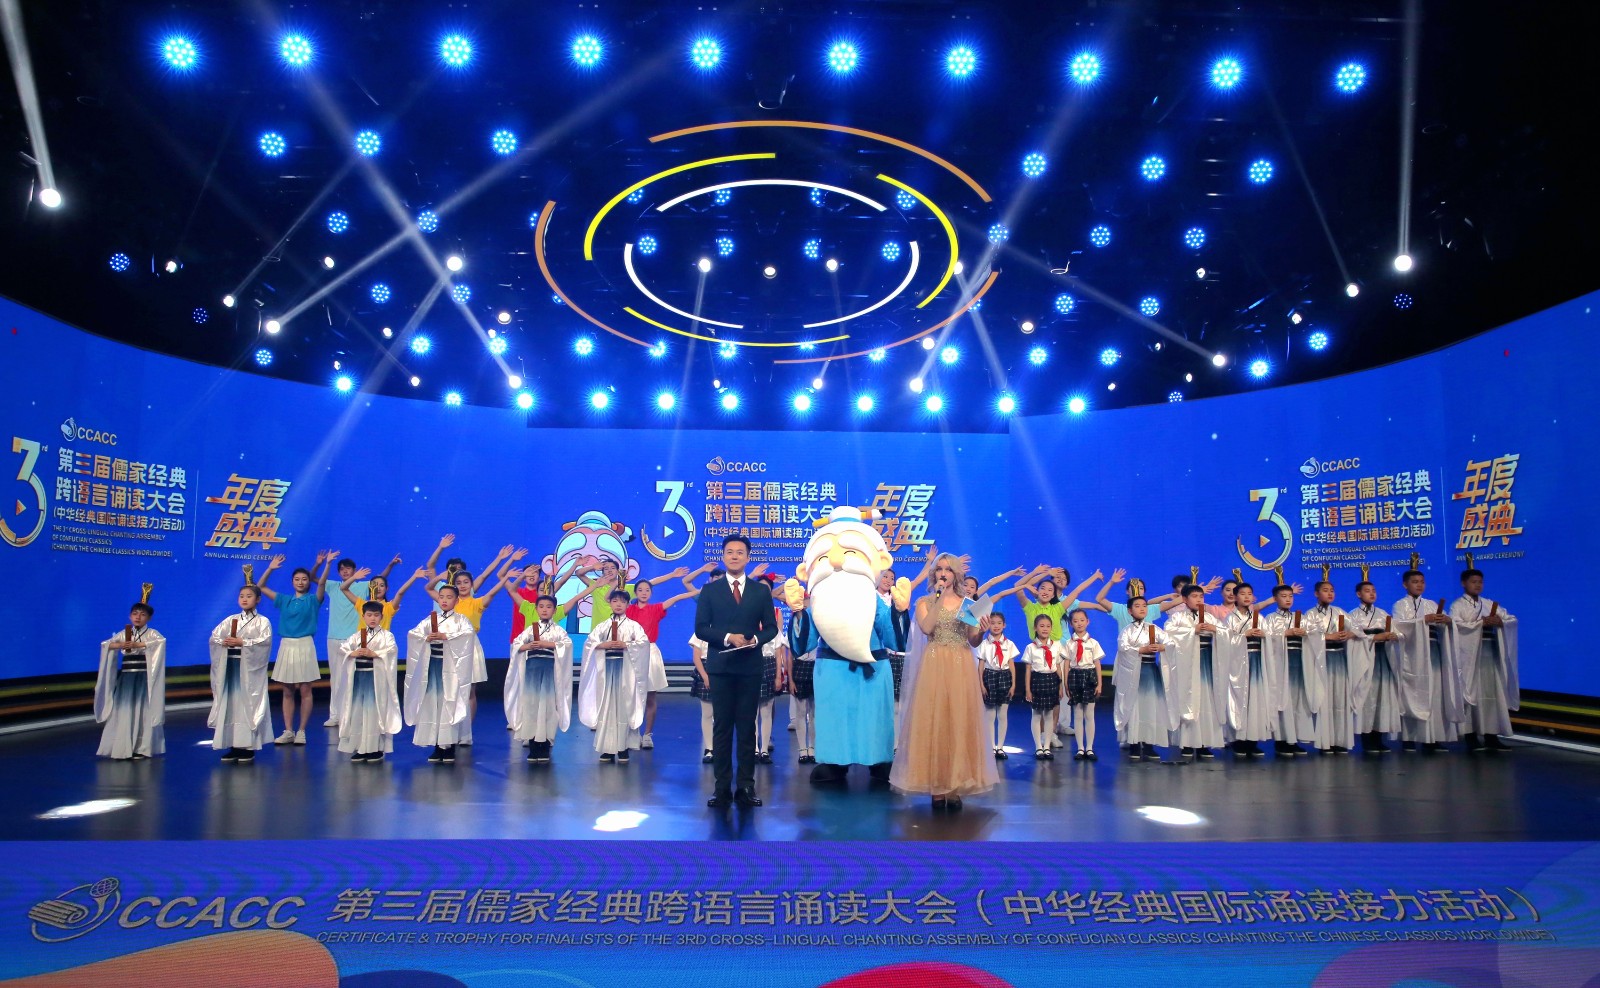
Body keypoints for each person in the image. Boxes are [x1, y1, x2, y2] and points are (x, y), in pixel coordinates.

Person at [892, 552, 996, 810]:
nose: (943, 573)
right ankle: (937, 788)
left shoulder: (969, 604)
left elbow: (973, 640)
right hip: (934, 665)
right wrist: (938, 599)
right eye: (939, 569)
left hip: (961, 667)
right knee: (934, 723)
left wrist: (981, 632)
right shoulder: (924, 602)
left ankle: (954, 786)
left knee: (958, 723)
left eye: (948, 569)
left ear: (956, 574)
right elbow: (927, 628)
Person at [696, 536, 779, 808]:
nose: (734, 556)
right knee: (721, 728)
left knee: (746, 728)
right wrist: (728, 637)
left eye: (739, 552)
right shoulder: (710, 591)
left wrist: (755, 639)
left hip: (749, 667)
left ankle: (745, 787)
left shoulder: (760, 592)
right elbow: (701, 628)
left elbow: (771, 628)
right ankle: (721, 789)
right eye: (729, 552)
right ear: (723, 556)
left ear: (747, 557)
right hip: (720, 668)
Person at [627, 564, 709, 748]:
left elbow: (676, 597)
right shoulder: (628, 610)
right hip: (631, 653)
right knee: (631, 697)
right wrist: (671, 575)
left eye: (647, 590)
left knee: (650, 697)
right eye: (640, 590)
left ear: (651, 593)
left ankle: (647, 735)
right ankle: (632, 732)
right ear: (635, 593)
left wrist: (698, 592)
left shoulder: (656, 609)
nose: (644, 593)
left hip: (650, 653)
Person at [255, 552, 332, 745]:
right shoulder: (284, 600)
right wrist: (270, 568)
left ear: (308, 582)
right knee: (287, 691)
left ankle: (302, 731)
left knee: (305, 690)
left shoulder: (314, 600)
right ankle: (288, 730)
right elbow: (260, 586)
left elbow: (322, 583)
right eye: (297, 579)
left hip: (305, 645)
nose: (300, 582)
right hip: (286, 645)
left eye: (304, 579)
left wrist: (327, 564)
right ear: (292, 582)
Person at [1391, 560, 1461, 753]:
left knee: (1435, 694)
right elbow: (1399, 626)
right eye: (1415, 582)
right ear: (1405, 585)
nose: (1419, 585)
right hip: (1412, 656)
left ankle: (1432, 738)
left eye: (1422, 581)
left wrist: (1446, 621)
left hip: (1433, 653)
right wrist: (1423, 620)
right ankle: (1409, 738)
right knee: (1412, 695)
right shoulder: (1400, 605)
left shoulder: (1431, 604)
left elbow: (1447, 623)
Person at [1451, 559, 1520, 752]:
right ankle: (1471, 736)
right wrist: (1480, 623)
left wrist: (1499, 621)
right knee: (1471, 694)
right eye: (1473, 582)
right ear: (1463, 583)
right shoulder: (1458, 606)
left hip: (1490, 655)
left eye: (1480, 582)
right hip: (1471, 659)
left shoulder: (1489, 604)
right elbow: (1456, 626)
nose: (1477, 585)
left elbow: (1511, 619)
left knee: (1492, 695)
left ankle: (1491, 736)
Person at [404, 584, 476, 764]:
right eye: (441, 597)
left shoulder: (461, 620)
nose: (444, 600)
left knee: (448, 705)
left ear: (456, 600)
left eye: (449, 597)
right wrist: (425, 638)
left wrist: (446, 637)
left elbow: (468, 635)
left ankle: (449, 747)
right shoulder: (430, 620)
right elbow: (413, 634)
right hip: (433, 667)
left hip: (451, 670)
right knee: (433, 704)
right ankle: (437, 746)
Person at [325, 555, 398, 728]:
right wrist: (349, 575)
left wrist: (390, 565)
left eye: (348, 569)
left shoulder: (370, 595)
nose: (345, 571)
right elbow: (343, 587)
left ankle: (374, 718)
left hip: (366, 643)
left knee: (367, 683)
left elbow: (380, 581)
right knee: (340, 679)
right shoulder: (344, 590)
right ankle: (337, 715)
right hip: (346, 641)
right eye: (342, 569)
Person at [94, 585, 166, 760]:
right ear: (130, 616)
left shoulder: (153, 634)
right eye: (135, 614)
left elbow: (160, 643)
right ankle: (122, 747)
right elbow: (106, 644)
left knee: (143, 710)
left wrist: (138, 645)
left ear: (149, 618)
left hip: (143, 678)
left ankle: (141, 747)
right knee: (124, 710)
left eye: (142, 614)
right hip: (127, 678)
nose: (138, 617)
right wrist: (121, 645)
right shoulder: (124, 633)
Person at [579, 589, 652, 763]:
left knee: (623, 708)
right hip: (607, 670)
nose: (618, 604)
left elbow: (643, 643)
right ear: (610, 603)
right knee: (606, 707)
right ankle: (607, 749)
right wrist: (603, 645)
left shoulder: (633, 626)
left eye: (622, 601)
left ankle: (623, 747)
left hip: (625, 670)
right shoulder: (602, 626)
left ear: (627, 604)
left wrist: (626, 645)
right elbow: (590, 643)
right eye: (615, 601)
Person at [207, 583, 274, 763]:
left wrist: (242, 642)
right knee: (231, 705)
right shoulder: (230, 620)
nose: (244, 599)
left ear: (258, 599)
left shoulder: (263, 622)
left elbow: (264, 642)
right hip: (231, 668)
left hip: (248, 671)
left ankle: (247, 746)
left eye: (249, 596)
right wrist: (224, 641)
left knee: (246, 705)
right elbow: (214, 637)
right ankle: (233, 744)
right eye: (242, 596)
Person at [505, 594, 574, 764]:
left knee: (548, 707)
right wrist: (527, 646)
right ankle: (533, 746)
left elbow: (567, 644)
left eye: (548, 607)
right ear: (536, 609)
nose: (544, 610)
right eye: (541, 606)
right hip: (532, 674)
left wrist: (547, 644)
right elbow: (517, 644)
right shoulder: (530, 629)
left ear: (554, 610)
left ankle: (545, 746)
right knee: (531, 707)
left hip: (549, 673)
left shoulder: (558, 630)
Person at [1164, 584, 1229, 761]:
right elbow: (1169, 634)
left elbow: (1227, 633)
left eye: (1201, 596)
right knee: (1188, 700)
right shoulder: (1177, 617)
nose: (1199, 600)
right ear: (1185, 599)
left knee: (1207, 701)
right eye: (1194, 596)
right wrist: (1193, 630)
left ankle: (1204, 743)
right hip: (1187, 666)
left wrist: (1215, 630)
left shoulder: (1209, 617)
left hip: (1206, 662)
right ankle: (1186, 743)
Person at [1262, 576, 1323, 757]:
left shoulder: (1301, 618)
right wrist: (1285, 633)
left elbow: (1317, 633)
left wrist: (1307, 633)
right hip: (1281, 663)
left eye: (1290, 596)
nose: (1288, 599)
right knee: (1283, 700)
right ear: (1275, 598)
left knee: (1298, 700)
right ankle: (1282, 740)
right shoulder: (1270, 619)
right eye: (1284, 596)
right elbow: (1267, 637)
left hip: (1299, 662)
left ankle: (1295, 738)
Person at [1113, 596, 1179, 763]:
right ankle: (1134, 744)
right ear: (1130, 611)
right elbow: (1123, 648)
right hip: (1134, 673)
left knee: (1151, 707)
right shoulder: (1127, 631)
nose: (1142, 608)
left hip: (1150, 671)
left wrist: (1162, 647)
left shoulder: (1153, 628)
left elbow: (1171, 643)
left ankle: (1149, 745)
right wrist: (1141, 650)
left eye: (1144, 605)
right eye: (1137, 606)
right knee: (1134, 707)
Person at [1346, 568, 1402, 754]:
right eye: (1367, 591)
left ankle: (1379, 737)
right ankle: (1366, 738)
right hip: (1364, 658)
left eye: (1374, 591)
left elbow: (1397, 632)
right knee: (1366, 697)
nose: (1372, 594)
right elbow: (1353, 636)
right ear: (1358, 594)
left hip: (1382, 658)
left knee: (1382, 697)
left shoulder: (1383, 614)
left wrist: (1393, 636)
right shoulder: (1353, 615)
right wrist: (1374, 637)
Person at [336, 602, 400, 762]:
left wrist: (374, 653)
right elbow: (342, 649)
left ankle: (375, 748)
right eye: (369, 615)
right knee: (357, 712)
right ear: (363, 616)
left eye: (376, 615)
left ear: (382, 617)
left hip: (375, 680)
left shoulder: (387, 636)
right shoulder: (356, 636)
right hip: (358, 679)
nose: (373, 618)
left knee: (374, 713)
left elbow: (391, 651)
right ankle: (360, 748)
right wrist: (353, 653)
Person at [1223, 583, 1278, 757]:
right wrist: (1243, 636)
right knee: (1240, 699)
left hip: (1256, 661)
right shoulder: (1230, 619)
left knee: (1256, 699)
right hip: (1238, 664)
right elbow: (1224, 641)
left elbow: (1271, 636)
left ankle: (1253, 739)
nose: (1247, 597)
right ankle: (1238, 740)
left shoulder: (1259, 617)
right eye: (1242, 594)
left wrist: (1265, 636)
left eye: (1249, 594)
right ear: (1235, 597)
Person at [1305, 570, 1356, 754]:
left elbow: (1357, 629)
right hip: (1321, 659)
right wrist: (1328, 636)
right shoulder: (1310, 614)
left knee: (1340, 698)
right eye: (1325, 590)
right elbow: (1308, 635)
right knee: (1324, 699)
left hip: (1339, 658)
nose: (1330, 593)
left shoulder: (1340, 612)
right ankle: (1325, 742)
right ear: (1316, 594)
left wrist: (1349, 634)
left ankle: (1340, 740)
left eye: (1332, 590)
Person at [1062, 608, 1106, 761]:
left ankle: (1090, 748)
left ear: (1088, 622)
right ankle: (1080, 748)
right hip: (1075, 676)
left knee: (1089, 714)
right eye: (1075, 621)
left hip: (1089, 676)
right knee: (1078, 714)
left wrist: (1099, 684)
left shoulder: (1093, 643)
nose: (1079, 623)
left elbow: (1097, 664)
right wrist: (1066, 683)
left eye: (1082, 620)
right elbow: (1066, 664)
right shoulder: (1069, 643)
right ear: (1071, 624)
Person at [1021, 613, 1066, 760]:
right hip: (1037, 680)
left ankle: (1047, 747)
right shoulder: (1030, 647)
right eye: (1041, 626)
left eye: (1048, 626)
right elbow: (1028, 670)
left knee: (1049, 714)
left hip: (1052, 680)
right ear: (1035, 628)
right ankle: (1038, 747)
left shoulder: (1056, 647)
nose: (1045, 629)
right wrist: (1028, 689)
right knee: (1036, 714)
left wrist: (1060, 686)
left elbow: (1058, 667)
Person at [977, 611, 1020, 759]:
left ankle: (1000, 747)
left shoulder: (1009, 644)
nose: (996, 626)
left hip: (1004, 676)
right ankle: (990, 747)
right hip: (989, 676)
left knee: (1002, 714)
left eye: (999, 623)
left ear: (1004, 625)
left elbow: (1011, 665)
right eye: (992, 623)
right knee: (990, 715)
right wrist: (981, 684)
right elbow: (981, 666)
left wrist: (1013, 684)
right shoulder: (984, 644)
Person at [689, 632, 714, 763]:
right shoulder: (700, 632)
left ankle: (721, 747)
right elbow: (696, 657)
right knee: (707, 713)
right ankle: (709, 748)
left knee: (723, 715)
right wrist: (705, 677)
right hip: (705, 670)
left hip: (723, 670)